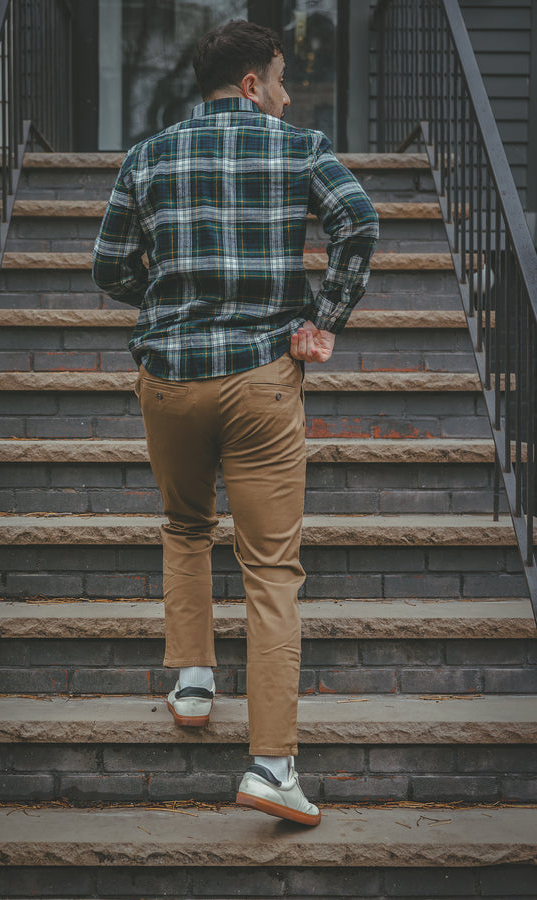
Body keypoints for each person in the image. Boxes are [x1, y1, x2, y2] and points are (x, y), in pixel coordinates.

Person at [92, 19, 378, 827]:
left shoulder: (147, 156)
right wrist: (323, 319)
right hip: (261, 379)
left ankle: (192, 681)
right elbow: (359, 222)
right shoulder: (300, 147)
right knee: (272, 570)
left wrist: (165, 304)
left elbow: (108, 265)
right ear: (253, 84)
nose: (287, 96)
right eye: (281, 80)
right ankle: (272, 767)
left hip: (170, 380)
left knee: (185, 525)